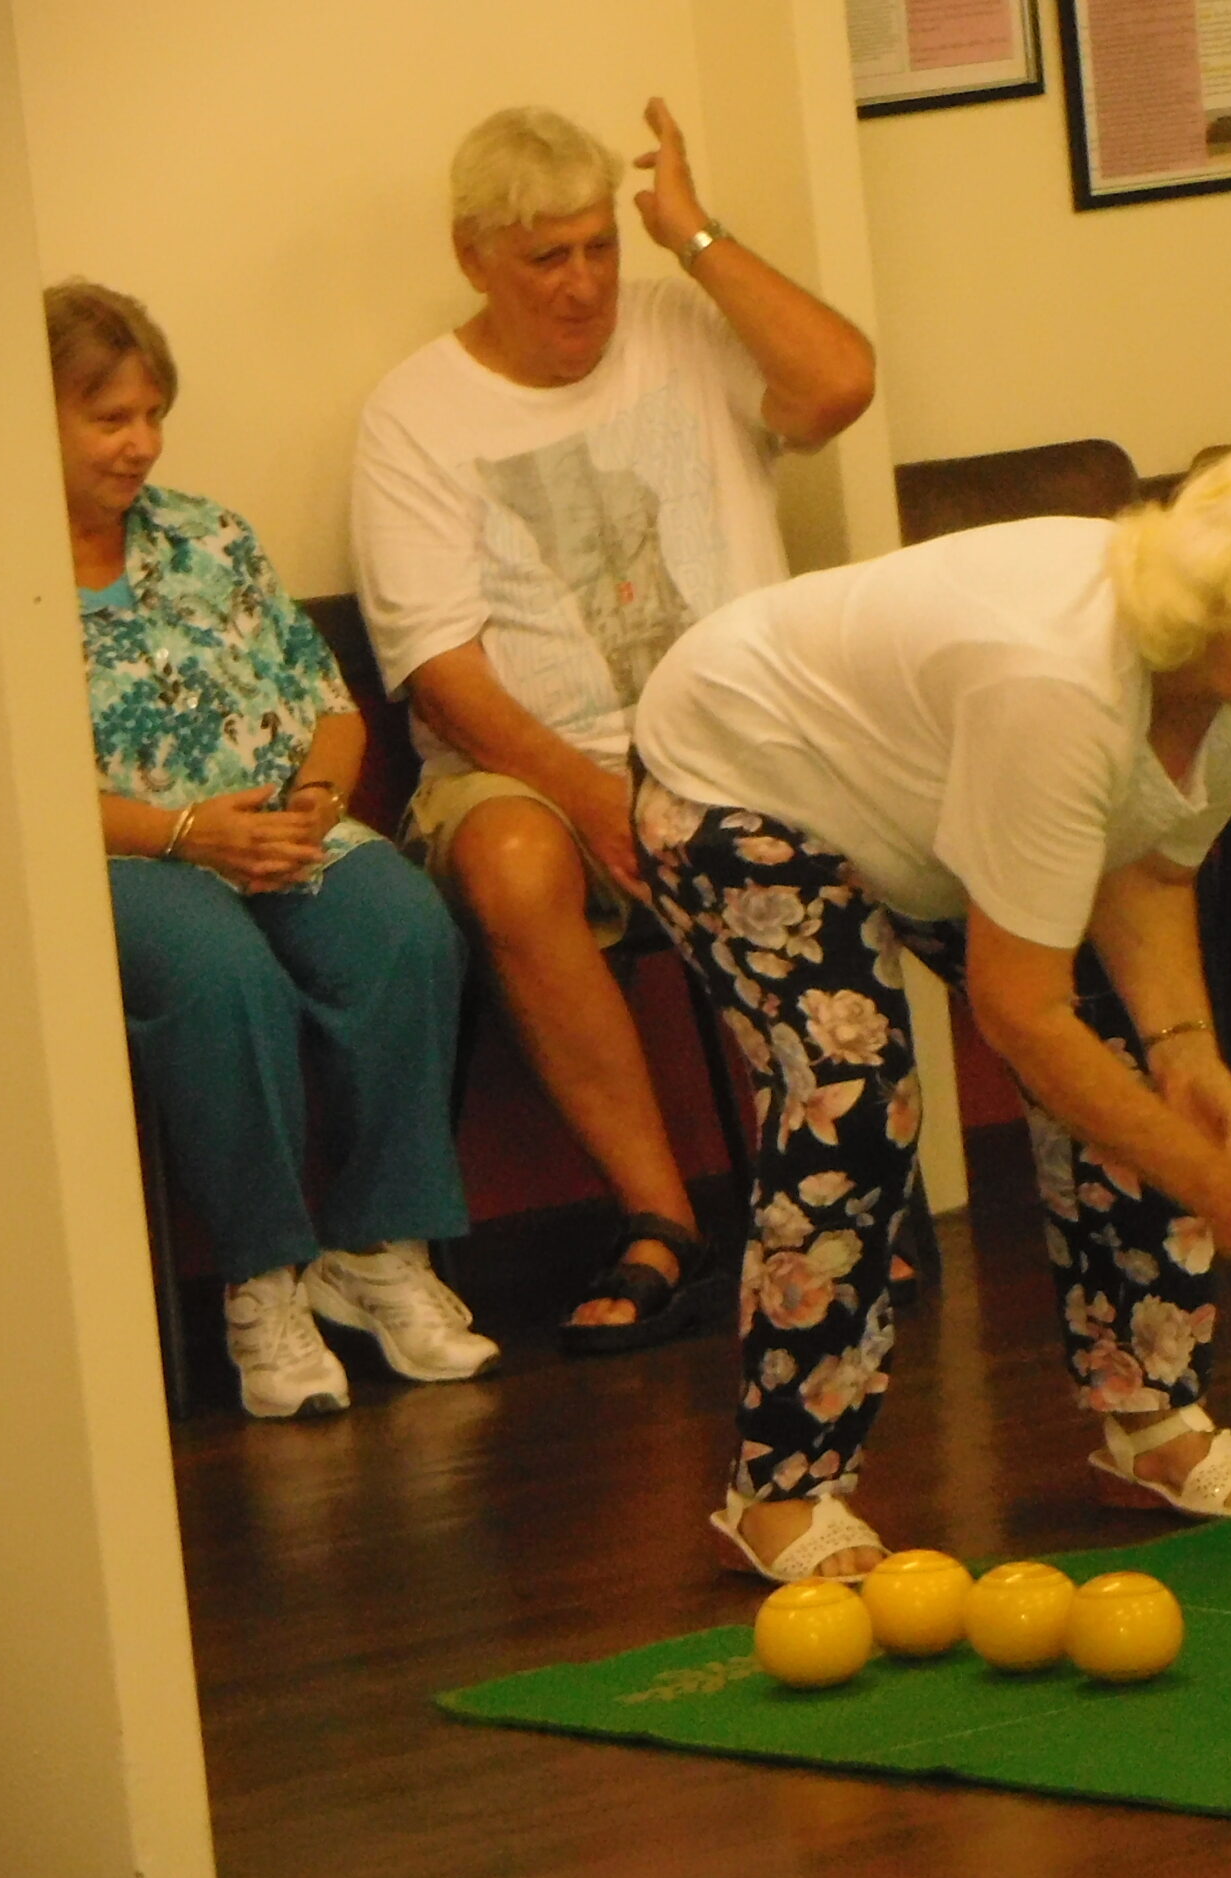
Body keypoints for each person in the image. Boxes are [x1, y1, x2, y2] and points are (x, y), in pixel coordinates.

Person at [630, 443, 1231, 1581]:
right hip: (742, 770)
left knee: (1132, 1073)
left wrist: (1181, 1044)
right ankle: (783, 1491)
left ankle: (1152, 1423)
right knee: (853, 1105)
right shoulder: (1054, 682)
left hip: (930, 776)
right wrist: (1226, 1189)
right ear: (1223, 606)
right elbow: (1021, 1013)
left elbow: (1142, 861)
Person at [351, 100, 875, 1355]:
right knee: (512, 861)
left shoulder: (687, 322)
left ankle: (838, 1196)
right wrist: (594, 798)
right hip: (530, 765)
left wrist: (691, 235)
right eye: (548, 258)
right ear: (475, 258)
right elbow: (441, 674)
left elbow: (841, 382)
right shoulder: (413, 413)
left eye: (600, 247)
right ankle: (659, 1218)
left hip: (739, 735)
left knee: (855, 820)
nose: (584, 283)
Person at [51, 280, 493, 1419]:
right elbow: (4, 788)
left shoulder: (210, 537)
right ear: (25, 419)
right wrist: (190, 833)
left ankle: (377, 1252)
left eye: (152, 413)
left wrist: (308, 802)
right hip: (122, 857)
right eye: (109, 419)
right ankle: (262, 1281)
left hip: (274, 828)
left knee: (401, 925)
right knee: (219, 974)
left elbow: (330, 707)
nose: (140, 443)